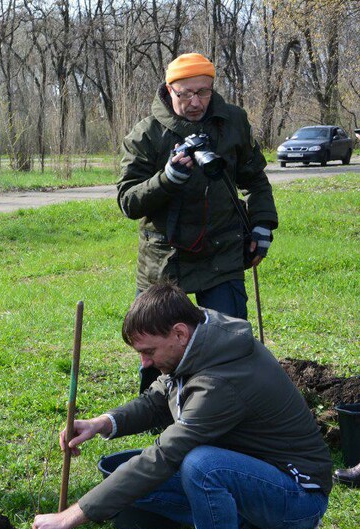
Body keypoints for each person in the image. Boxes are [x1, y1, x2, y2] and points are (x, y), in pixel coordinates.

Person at [30, 283, 331, 529]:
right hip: (259, 473)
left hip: (297, 496)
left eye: (148, 351)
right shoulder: (204, 339)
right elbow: (161, 397)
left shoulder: (221, 381)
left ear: (178, 332)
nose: (144, 362)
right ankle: (256, 526)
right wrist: (103, 423)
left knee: (201, 467)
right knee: (119, 470)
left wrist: (70, 517)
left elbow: (164, 456)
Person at [118, 53, 278, 392]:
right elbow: (128, 202)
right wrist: (168, 178)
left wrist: (262, 225)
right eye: (185, 94)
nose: (195, 103)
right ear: (168, 90)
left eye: (203, 92)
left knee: (229, 341)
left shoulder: (232, 122)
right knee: (156, 345)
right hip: (164, 257)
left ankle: (232, 405)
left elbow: (256, 179)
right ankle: (158, 413)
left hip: (221, 248)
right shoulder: (146, 134)